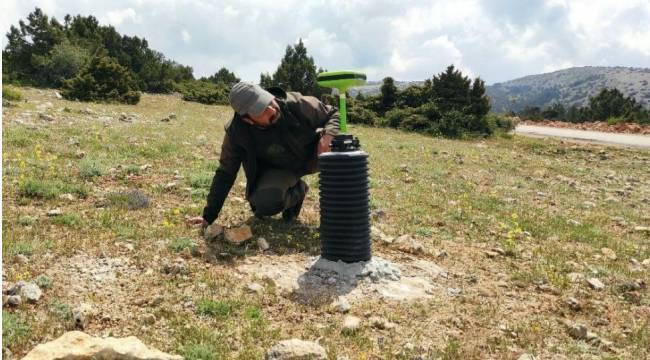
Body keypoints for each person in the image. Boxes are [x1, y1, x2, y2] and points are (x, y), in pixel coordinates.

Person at [199, 82, 340, 230]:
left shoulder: (296, 103)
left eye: (267, 101)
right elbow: (225, 173)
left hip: (313, 155)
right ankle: (297, 192)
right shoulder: (236, 133)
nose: (272, 109)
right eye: (261, 109)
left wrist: (329, 135)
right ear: (247, 119)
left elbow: (333, 113)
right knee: (263, 204)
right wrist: (208, 217)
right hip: (278, 171)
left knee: (346, 152)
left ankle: (342, 216)